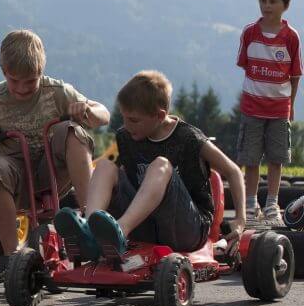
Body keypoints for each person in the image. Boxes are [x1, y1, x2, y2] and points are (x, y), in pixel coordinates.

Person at [54, 70, 246, 260]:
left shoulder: (189, 138)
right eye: (124, 118)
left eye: (134, 120)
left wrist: (240, 220)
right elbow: (117, 181)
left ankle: (120, 230)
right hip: (144, 224)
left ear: (160, 115)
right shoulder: (125, 136)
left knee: (161, 165)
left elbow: (233, 171)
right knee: (105, 166)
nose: (127, 126)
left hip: (186, 228)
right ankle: (90, 230)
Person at [0, 29, 109, 285]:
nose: (23, 88)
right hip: (15, 177)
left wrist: (88, 109)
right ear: (4, 72)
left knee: (70, 130)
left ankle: (91, 220)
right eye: (15, 81)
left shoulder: (57, 92)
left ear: (41, 73)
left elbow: (105, 115)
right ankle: (12, 258)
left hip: (53, 176)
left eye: (31, 81)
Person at [235, 0, 301, 225]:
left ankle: (272, 205)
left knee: (276, 158)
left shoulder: (291, 37)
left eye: (273, 1)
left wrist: (290, 105)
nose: (266, 6)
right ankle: (251, 207)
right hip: (252, 109)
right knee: (251, 159)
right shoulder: (250, 32)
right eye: (263, 0)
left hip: (279, 110)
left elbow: (295, 76)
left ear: (285, 5)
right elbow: (246, 67)